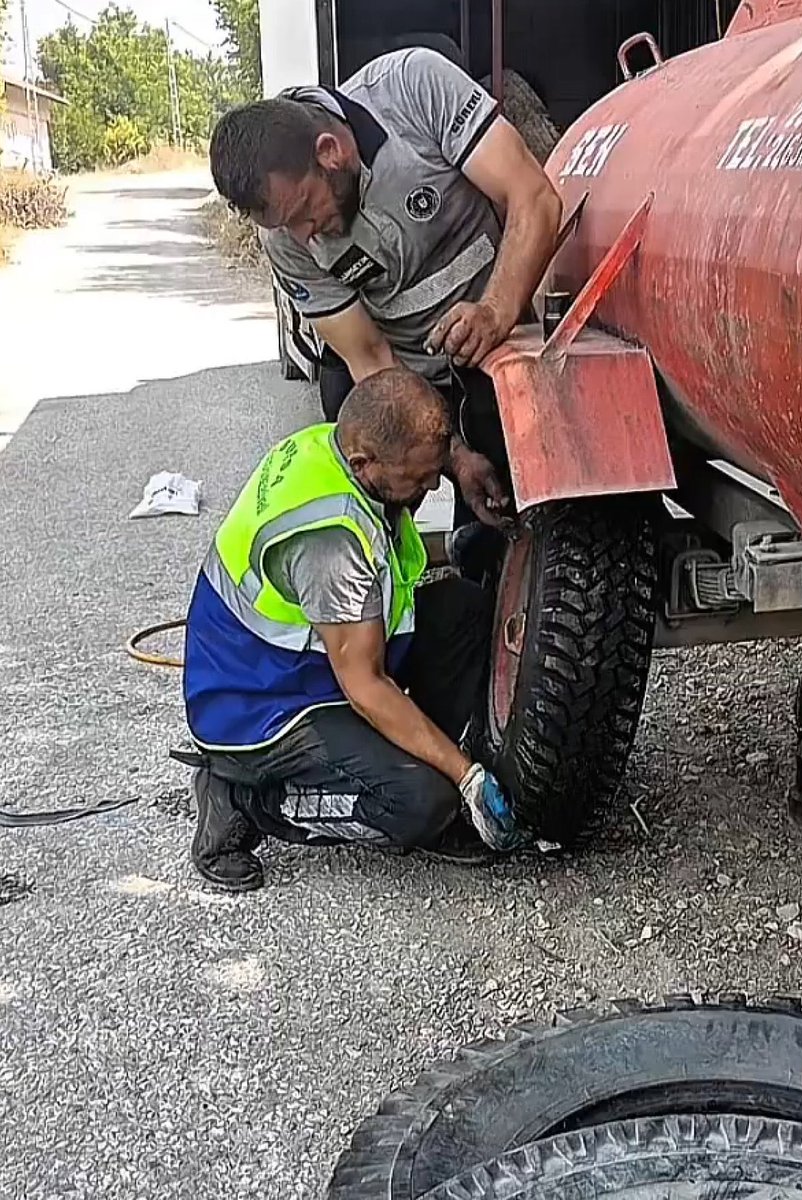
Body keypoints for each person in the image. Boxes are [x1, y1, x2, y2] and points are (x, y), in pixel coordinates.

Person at [181, 367, 528, 892]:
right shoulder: (331, 542)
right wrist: (465, 776)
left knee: (463, 610)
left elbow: (382, 571)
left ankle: (408, 761)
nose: (432, 486)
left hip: (311, 663)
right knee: (421, 803)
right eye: (419, 478)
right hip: (261, 706)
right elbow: (365, 684)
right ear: (365, 464)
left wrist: (460, 469)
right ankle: (244, 797)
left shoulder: (342, 445)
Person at [207, 46, 562, 534]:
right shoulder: (286, 238)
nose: (305, 236)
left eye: (305, 212)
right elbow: (370, 356)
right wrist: (452, 456)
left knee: (506, 515)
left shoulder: (414, 88)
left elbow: (534, 197)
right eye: (285, 226)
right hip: (401, 373)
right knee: (371, 487)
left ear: (330, 152)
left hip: (492, 344)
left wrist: (495, 311)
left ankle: (478, 550)